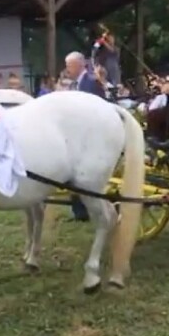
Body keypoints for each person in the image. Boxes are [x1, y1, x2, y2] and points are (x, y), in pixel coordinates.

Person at [63, 51, 106, 222]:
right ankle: (78, 211)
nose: (67, 69)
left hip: (89, 134)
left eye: (69, 65)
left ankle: (85, 209)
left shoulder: (91, 83)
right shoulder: (73, 85)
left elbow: (98, 108)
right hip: (76, 134)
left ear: (80, 65)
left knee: (82, 173)